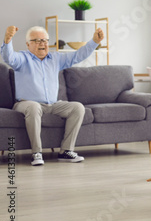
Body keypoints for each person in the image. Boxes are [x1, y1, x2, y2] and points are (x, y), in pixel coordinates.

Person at [1, 25, 104, 165]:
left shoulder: (56, 58)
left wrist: (94, 41)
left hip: (52, 104)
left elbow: (77, 56)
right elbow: (9, 57)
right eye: (37, 40)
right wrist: (7, 40)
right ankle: (36, 153)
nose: (42, 43)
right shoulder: (22, 59)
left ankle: (66, 151)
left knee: (77, 107)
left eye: (44, 40)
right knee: (33, 107)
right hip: (26, 104)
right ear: (28, 44)